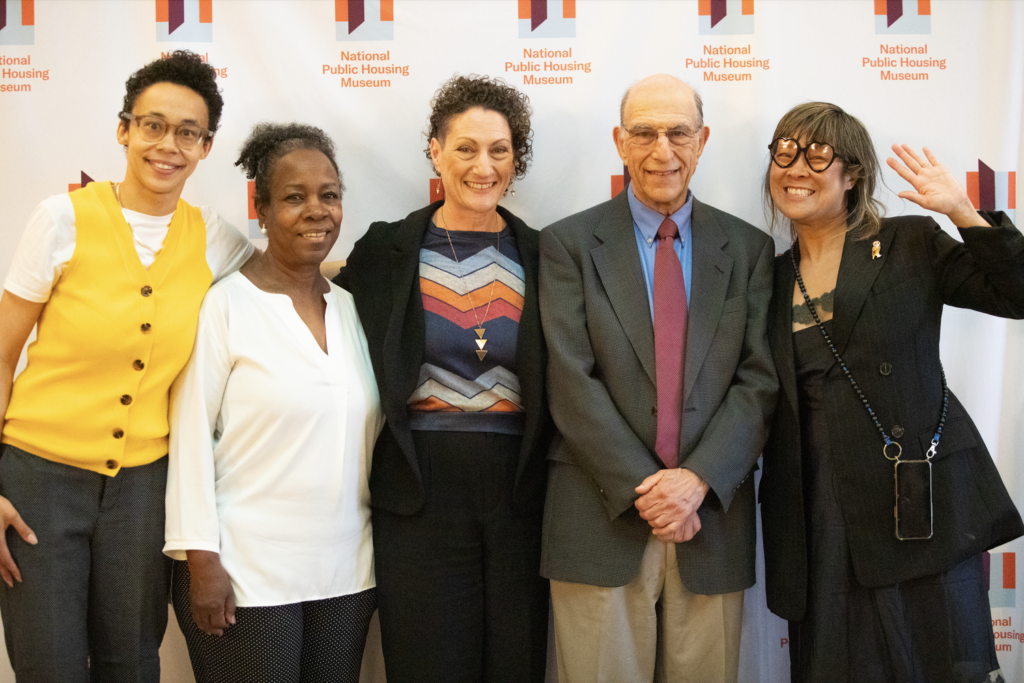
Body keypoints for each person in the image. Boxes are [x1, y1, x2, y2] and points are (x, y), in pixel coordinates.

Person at [0, 50, 253, 682]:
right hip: (37, 482)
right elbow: (1, 356)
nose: (168, 145)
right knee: (49, 665)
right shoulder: (62, 219)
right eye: (152, 125)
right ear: (124, 130)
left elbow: (288, 276)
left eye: (187, 133)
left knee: (131, 663)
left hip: (143, 491)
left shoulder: (216, 238)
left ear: (206, 147)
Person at [759, 101, 1024, 683]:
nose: (796, 167)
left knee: (936, 660)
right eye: (785, 151)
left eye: (817, 153)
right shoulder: (768, 276)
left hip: (915, 500)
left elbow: (1018, 295)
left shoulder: (908, 242)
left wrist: (961, 210)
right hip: (819, 510)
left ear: (851, 173)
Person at [538, 73, 777, 683]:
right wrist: (652, 489)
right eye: (643, 133)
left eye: (678, 132)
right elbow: (571, 378)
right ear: (619, 141)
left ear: (702, 141)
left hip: (710, 518)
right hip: (600, 516)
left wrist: (696, 482)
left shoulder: (749, 249)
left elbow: (758, 380)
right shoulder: (567, 244)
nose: (661, 150)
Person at [333, 74, 553, 683]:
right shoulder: (387, 251)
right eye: (465, 148)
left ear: (516, 159)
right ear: (435, 150)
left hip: (521, 494)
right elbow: (320, 319)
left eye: (499, 150)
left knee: (515, 663)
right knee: (429, 665)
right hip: (417, 488)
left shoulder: (544, 254)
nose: (483, 166)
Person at [164, 123, 383, 683]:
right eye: (294, 197)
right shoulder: (226, 306)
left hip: (346, 572)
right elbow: (189, 439)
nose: (317, 210)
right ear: (259, 208)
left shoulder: (354, 311)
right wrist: (201, 562)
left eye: (329, 196)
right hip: (245, 572)